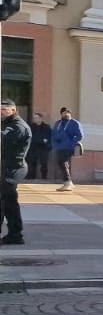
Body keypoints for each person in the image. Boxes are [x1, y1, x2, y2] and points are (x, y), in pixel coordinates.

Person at [1, 99, 29, 245]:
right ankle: (15, 235)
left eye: (4, 109)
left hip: (14, 168)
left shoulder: (18, 126)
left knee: (4, 199)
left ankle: (16, 234)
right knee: (9, 202)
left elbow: (3, 142)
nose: (1, 112)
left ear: (13, 110)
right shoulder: (6, 123)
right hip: (5, 167)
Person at [51, 107, 83, 191]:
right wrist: (55, 143)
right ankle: (69, 182)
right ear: (61, 114)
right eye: (65, 112)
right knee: (61, 163)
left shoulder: (74, 123)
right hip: (59, 147)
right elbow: (53, 134)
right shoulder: (58, 123)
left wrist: (71, 143)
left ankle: (68, 182)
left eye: (68, 112)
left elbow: (80, 135)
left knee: (63, 162)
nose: (67, 114)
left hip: (68, 147)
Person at [26, 111, 50, 179]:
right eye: (34, 118)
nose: (35, 119)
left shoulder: (46, 127)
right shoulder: (31, 127)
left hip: (43, 149)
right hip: (33, 148)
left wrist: (41, 140)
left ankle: (44, 179)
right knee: (32, 164)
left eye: (36, 118)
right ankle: (31, 178)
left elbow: (47, 138)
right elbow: (30, 137)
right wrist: (41, 140)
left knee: (43, 164)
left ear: (41, 118)